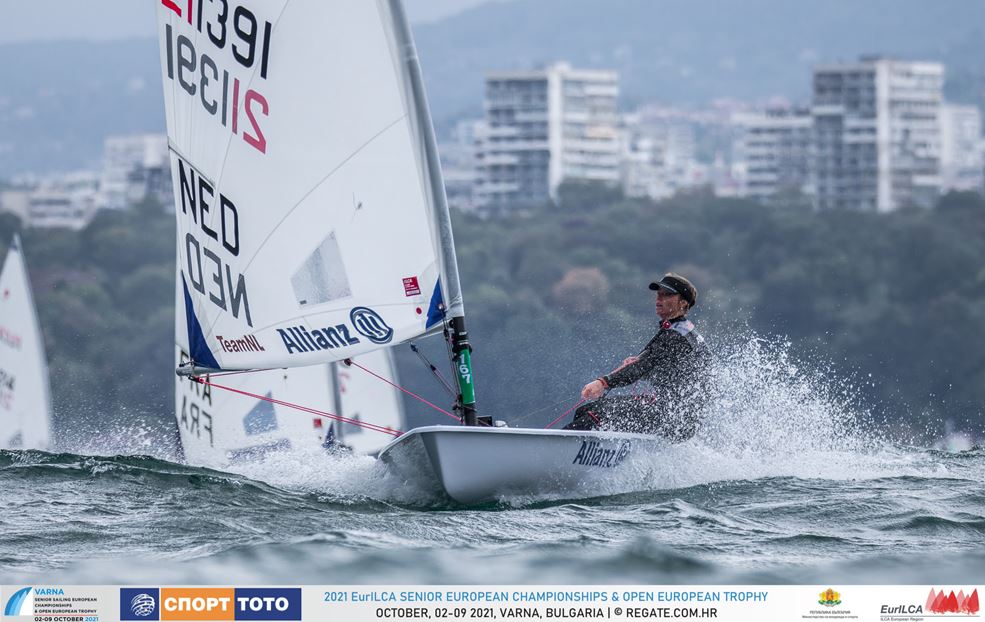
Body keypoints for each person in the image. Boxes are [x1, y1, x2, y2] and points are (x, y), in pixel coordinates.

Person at [565, 272, 711, 441]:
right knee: (586, 410)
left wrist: (603, 382)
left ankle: (559, 453)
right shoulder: (685, 331)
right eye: (659, 294)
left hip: (672, 417)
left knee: (593, 414)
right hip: (679, 416)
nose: (659, 299)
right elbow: (673, 371)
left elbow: (641, 368)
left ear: (683, 303)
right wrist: (642, 365)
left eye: (667, 295)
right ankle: (595, 458)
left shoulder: (675, 336)